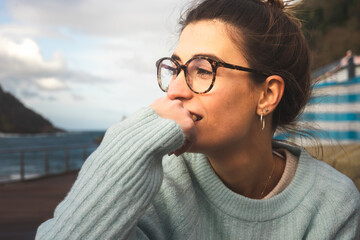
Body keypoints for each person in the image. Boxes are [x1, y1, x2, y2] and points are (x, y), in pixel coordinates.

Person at [36, 0, 360, 239]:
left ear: (266, 95)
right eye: (175, 69)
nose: (175, 90)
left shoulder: (331, 204)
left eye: (203, 70)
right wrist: (124, 149)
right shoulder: (156, 189)